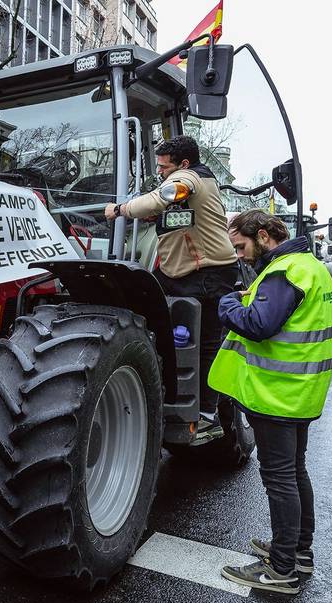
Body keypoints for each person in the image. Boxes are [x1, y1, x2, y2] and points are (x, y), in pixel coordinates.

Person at [210, 209, 332, 595]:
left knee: (280, 479)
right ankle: (298, 552)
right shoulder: (311, 267)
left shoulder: (284, 272)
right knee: (295, 473)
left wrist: (229, 302)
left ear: (264, 236)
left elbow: (259, 325)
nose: (241, 255)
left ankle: (282, 570)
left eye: (242, 246)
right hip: (300, 393)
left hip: (276, 394)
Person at [103, 135, 238, 427]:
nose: (161, 172)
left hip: (208, 274)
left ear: (184, 164)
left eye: (164, 167)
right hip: (181, 272)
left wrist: (119, 210)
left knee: (207, 344)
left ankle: (206, 411)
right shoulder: (191, 183)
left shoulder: (188, 179)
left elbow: (162, 196)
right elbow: (175, 214)